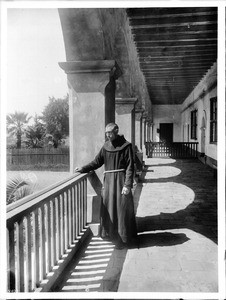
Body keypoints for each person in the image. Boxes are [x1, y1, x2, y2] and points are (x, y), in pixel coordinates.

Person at [75, 123, 137, 249]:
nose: (108, 135)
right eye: (106, 133)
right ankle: (111, 236)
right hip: (109, 182)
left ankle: (124, 238)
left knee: (122, 209)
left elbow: (130, 167)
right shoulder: (106, 146)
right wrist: (83, 168)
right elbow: (97, 162)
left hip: (121, 181)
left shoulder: (126, 146)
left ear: (116, 131)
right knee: (110, 208)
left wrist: (127, 184)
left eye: (110, 133)